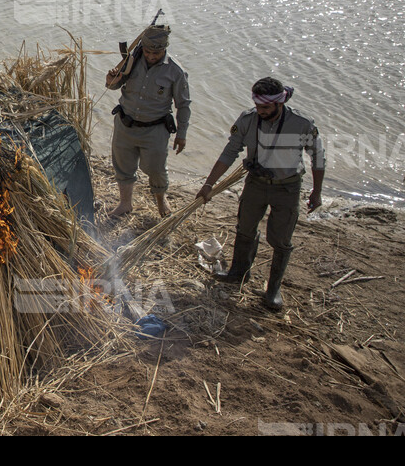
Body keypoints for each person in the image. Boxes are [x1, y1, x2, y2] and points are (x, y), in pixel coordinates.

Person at [196, 77, 325, 311]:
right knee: (245, 228)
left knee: (280, 239)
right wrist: (209, 185)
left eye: (265, 107)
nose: (260, 111)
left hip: (287, 187)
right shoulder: (248, 120)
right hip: (256, 183)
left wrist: (316, 192)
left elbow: (318, 157)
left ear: (279, 103)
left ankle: (273, 289)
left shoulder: (302, 123)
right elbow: (229, 153)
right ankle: (238, 273)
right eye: (257, 106)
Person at [105, 25, 191, 218]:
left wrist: (182, 134)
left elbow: (183, 105)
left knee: (156, 169)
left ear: (164, 49)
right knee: (123, 165)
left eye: (156, 52)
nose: (151, 56)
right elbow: (113, 85)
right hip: (125, 124)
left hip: (155, 129)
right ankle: (125, 203)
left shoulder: (175, 71)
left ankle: (161, 200)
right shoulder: (131, 62)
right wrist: (110, 79)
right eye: (148, 51)